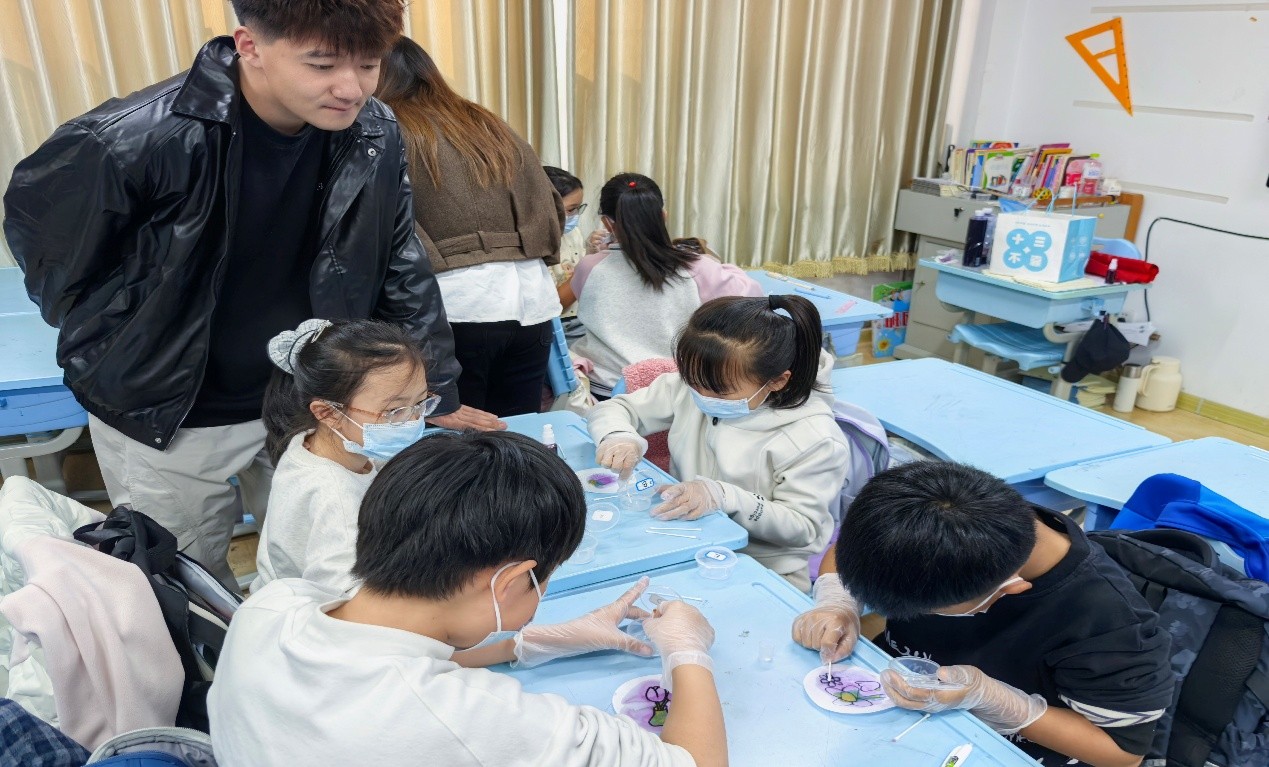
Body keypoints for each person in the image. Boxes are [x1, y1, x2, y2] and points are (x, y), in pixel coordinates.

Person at [1, 0, 501, 589]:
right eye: (322, 65)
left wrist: (434, 388)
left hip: (307, 399)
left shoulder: (374, 129)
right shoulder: (131, 139)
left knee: (327, 568)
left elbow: (399, 261)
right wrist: (125, 338)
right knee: (185, 586)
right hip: (169, 411)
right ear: (249, 46)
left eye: (369, 65)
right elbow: (54, 263)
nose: (351, 88)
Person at [209, 431, 727, 767]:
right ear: (511, 580)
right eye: (545, 579)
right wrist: (686, 651)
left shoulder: (271, 606)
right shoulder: (474, 719)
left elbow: (370, 665)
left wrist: (527, 644)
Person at [792, 461, 1174, 767]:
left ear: (1008, 590)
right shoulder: (932, 512)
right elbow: (850, 550)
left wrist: (992, 699)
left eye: (923, 609)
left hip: (995, 747)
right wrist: (837, 601)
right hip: (891, 703)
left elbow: (1122, 753)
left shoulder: (1110, 626)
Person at [588, 295, 850, 592]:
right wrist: (618, 436)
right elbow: (616, 409)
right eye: (693, 382)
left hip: (760, 568)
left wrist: (724, 496)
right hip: (685, 539)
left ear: (777, 381)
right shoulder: (695, 385)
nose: (701, 396)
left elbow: (804, 528)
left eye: (720, 392)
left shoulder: (815, 439)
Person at [376, 38, 564, 418]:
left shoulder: (385, 128)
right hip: (533, 301)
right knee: (517, 431)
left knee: (453, 438)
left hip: (452, 304)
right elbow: (551, 206)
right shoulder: (489, 123)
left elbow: (383, 227)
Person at [252, 318, 434, 593]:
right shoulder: (335, 499)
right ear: (328, 413)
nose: (413, 420)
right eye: (394, 411)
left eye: (420, 402)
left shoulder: (318, 442)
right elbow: (349, 598)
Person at [569, 173, 763, 398]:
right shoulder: (697, 268)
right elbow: (752, 296)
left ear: (607, 223)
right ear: (663, 216)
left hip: (600, 390)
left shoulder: (588, 267)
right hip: (671, 393)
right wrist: (718, 265)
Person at [545, 165, 587, 335]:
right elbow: (555, 304)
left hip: (583, 317)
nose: (575, 215)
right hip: (557, 325)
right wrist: (590, 265)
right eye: (570, 209)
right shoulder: (536, 245)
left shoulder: (573, 233)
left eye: (579, 208)